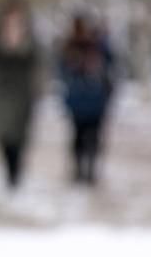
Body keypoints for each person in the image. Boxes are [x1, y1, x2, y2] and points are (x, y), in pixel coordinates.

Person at [0, 0, 40, 190]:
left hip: (23, 94)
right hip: (2, 93)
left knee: (21, 135)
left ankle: (16, 174)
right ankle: (9, 172)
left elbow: (35, 61)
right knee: (4, 135)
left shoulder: (30, 39)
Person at [59, 15, 114, 186]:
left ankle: (89, 169)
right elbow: (64, 72)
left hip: (95, 100)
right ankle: (80, 169)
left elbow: (110, 70)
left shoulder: (100, 48)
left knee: (93, 136)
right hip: (79, 101)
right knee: (79, 136)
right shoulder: (71, 48)